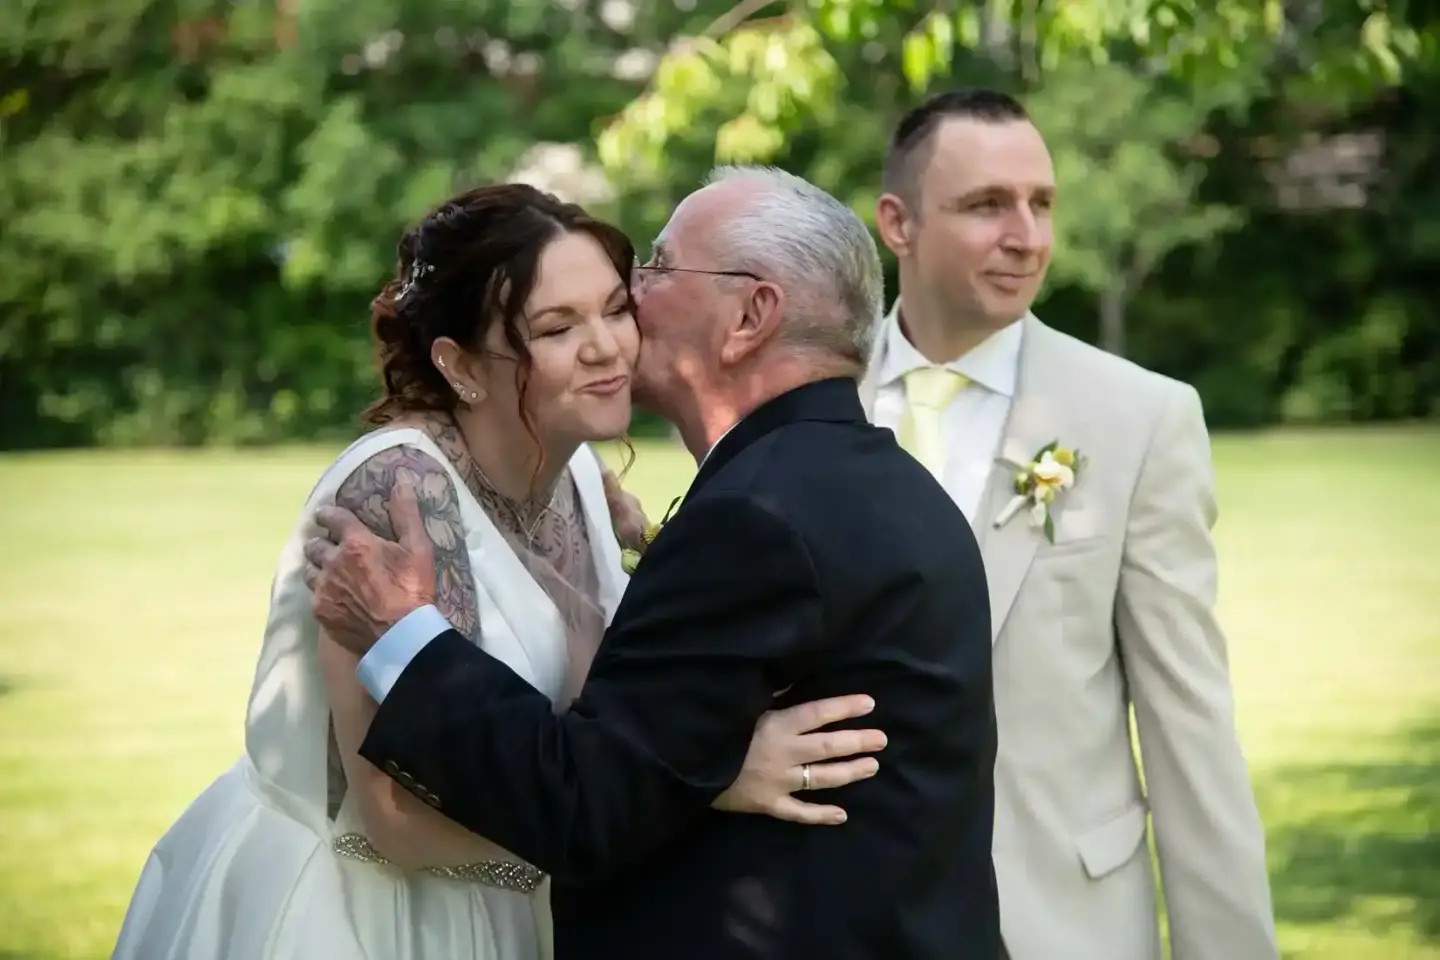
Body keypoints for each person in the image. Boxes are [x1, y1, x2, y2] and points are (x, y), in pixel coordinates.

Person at [110, 183, 889, 960]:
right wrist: (707, 784)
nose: (607, 347)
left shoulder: (580, 475)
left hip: (527, 902)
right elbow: (394, 822)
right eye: (556, 327)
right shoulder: (395, 494)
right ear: (459, 364)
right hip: (375, 917)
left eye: (616, 309)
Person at [303, 166, 999, 959]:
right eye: (559, 324)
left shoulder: (756, 517)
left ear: (749, 316)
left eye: (658, 268)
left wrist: (405, 637)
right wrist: (707, 776)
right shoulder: (886, 485)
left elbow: (591, 801)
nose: (632, 301)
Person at [863, 87, 1278, 960]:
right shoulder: (803, 401)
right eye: (987, 206)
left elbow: (1188, 726)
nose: (1028, 236)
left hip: (1060, 922)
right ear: (898, 224)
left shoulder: (1139, 418)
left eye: (1041, 203)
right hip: (836, 918)